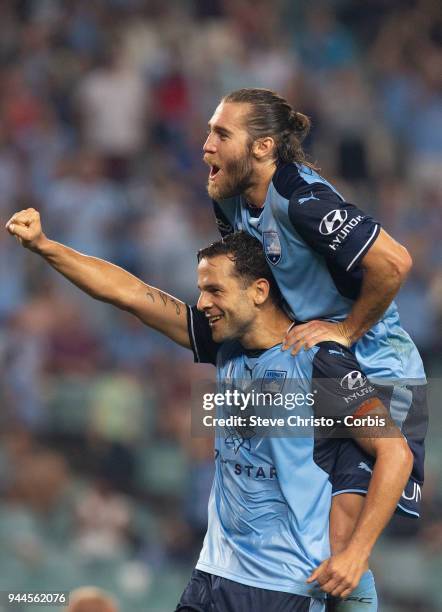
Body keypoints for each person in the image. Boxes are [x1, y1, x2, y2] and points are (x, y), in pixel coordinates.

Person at [7, 211, 412, 611]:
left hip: (282, 588)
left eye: (215, 290)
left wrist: (357, 553)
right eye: (201, 290)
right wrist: (45, 246)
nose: (202, 303)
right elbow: (127, 293)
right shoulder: (223, 345)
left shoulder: (318, 360)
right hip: (212, 576)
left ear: (258, 290)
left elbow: (396, 452)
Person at [203, 88, 428, 608]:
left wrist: (345, 330)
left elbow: (394, 262)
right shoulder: (229, 199)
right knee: (313, 549)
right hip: (316, 370)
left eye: (221, 134)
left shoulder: (303, 199)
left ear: (262, 148)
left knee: (341, 546)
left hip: (380, 372)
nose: (206, 145)